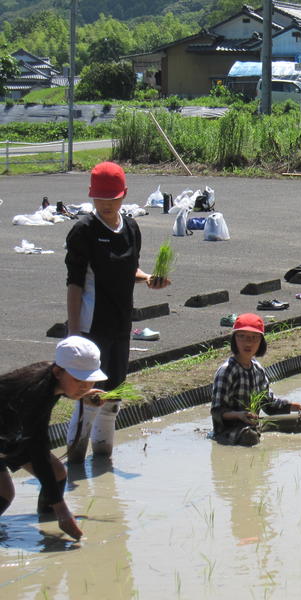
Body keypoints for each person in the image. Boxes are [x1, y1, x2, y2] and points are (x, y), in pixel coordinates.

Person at [64, 162, 170, 463]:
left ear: (123, 195)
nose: (106, 204)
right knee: (90, 397)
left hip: (121, 323)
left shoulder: (131, 228)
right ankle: (74, 462)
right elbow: (75, 283)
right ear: (91, 196)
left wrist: (148, 278)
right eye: (100, 198)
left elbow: (128, 268)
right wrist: (74, 334)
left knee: (112, 397)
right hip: (91, 326)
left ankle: (103, 462)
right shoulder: (84, 231)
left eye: (112, 198)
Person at [1, 337, 108, 541]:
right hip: (7, 435)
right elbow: (38, 452)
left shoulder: (49, 375)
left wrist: (82, 394)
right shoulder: (35, 394)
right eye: (79, 380)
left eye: (90, 380)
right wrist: (62, 508)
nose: (85, 386)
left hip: (11, 433)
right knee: (5, 492)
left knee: (57, 473)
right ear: (58, 372)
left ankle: (49, 528)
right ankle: (61, 518)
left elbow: (64, 388)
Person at [211, 314, 301, 446]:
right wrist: (239, 415)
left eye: (254, 337)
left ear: (261, 342)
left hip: (254, 424)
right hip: (230, 430)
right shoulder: (227, 370)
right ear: (234, 339)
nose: (248, 342)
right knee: (250, 437)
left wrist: (297, 406)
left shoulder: (258, 369)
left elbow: (269, 405)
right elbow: (217, 411)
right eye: (242, 336)